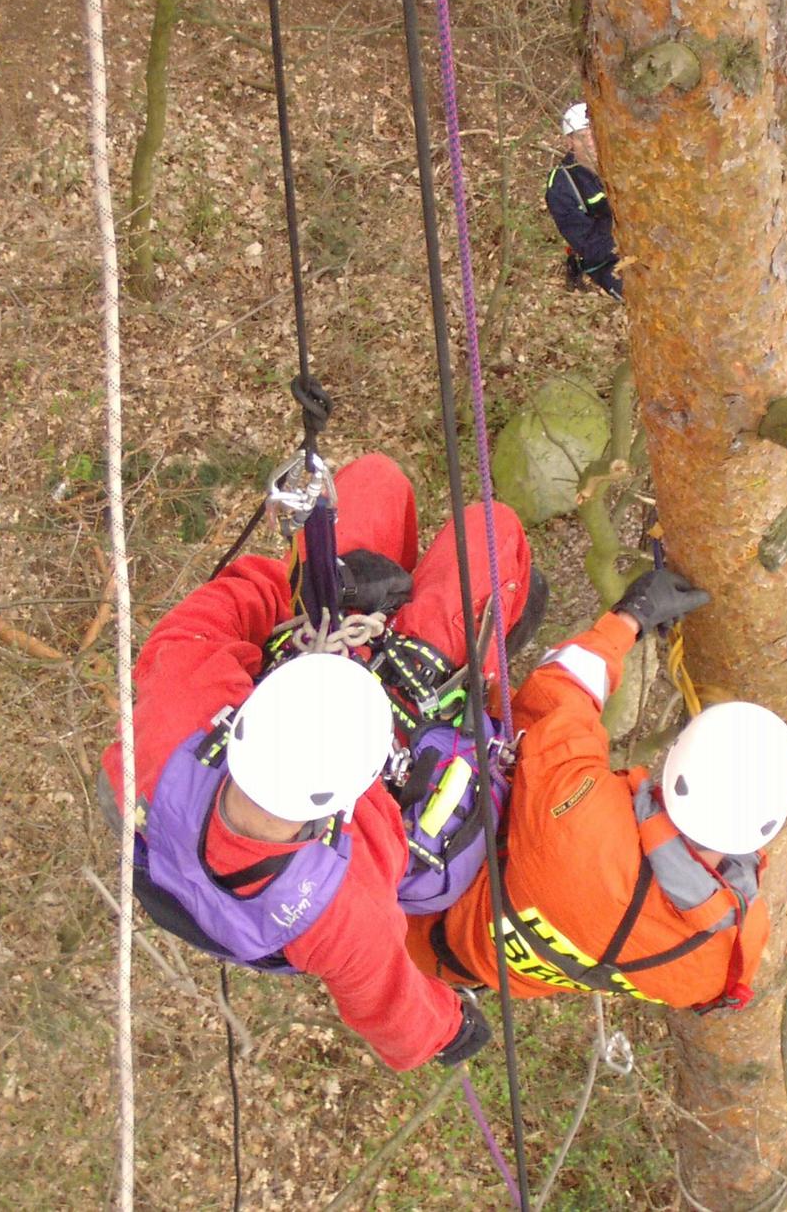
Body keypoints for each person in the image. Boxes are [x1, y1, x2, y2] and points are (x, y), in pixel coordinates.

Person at [99, 452, 540, 1071]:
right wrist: (448, 1031)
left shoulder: (181, 718)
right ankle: (478, 645)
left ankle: (375, 595)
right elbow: (389, 1004)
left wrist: (302, 591)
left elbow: (213, 616)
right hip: (415, 733)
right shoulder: (341, 907)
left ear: (243, 714)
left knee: (374, 481)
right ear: (353, 791)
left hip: (310, 655)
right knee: (493, 530)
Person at [405, 568, 787, 1013]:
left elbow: (558, 693)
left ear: (676, 765)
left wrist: (631, 618)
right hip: (466, 963)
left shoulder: (585, 814)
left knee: (501, 552)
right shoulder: (722, 958)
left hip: (425, 899)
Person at [545, 101, 622, 300]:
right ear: (569, 143)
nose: (590, 142)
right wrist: (625, 235)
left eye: (593, 134)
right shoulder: (562, 187)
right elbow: (588, 245)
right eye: (581, 137)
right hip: (606, 260)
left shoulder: (623, 160)